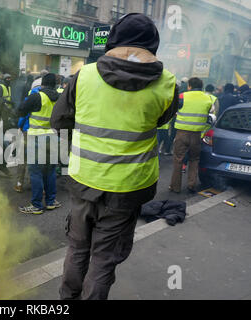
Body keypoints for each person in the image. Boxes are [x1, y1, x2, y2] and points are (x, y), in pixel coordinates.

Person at [51, 13, 179, 300]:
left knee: (77, 248)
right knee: (104, 258)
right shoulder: (168, 83)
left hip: (84, 180)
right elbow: (159, 121)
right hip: (128, 186)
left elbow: (58, 121)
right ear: (152, 45)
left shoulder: (84, 75)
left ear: (114, 40)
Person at [18, 73, 61, 214]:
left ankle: (36, 205)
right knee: (50, 171)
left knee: (35, 172)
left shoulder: (37, 96)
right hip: (53, 137)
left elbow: (20, 110)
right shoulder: (59, 98)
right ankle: (50, 202)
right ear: (55, 85)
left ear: (42, 84)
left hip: (37, 138)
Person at [169, 77, 213, 194]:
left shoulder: (182, 96)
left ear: (189, 86)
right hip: (197, 135)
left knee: (178, 159)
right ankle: (191, 185)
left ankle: (175, 187)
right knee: (194, 159)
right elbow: (209, 113)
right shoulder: (208, 98)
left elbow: (173, 110)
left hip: (182, 133)